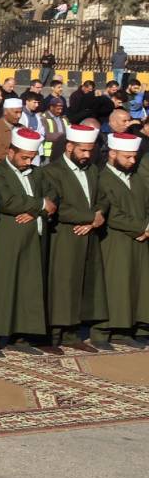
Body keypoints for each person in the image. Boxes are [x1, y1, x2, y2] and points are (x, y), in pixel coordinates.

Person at [0, 126, 52, 357]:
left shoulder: (38, 173)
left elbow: (53, 197)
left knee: (28, 285)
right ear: (11, 151)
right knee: (2, 285)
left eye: (31, 158)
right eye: (24, 157)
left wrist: (36, 211)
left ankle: (20, 335)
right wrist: (39, 206)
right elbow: (8, 201)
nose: (28, 161)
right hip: (6, 237)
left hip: (33, 237)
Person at [41, 122, 106, 351]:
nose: (87, 155)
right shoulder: (51, 171)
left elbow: (103, 198)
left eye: (90, 151)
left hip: (87, 235)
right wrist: (90, 217)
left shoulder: (93, 170)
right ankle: (52, 334)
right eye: (83, 150)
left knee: (81, 282)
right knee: (60, 284)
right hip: (64, 236)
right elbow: (57, 206)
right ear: (69, 147)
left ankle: (71, 332)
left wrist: (97, 216)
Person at [94, 133, 148, 347]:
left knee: (138, 283)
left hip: (140, 240)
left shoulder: (136, 178)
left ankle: (130, 328)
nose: (132, 161)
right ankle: (106, 330)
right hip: (115, 241)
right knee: (115, 285)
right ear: (113, 154)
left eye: (134, 157)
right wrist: (142, 227)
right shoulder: (102, 178)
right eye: (128, 157)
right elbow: (112, 214)